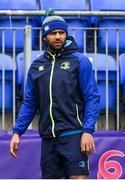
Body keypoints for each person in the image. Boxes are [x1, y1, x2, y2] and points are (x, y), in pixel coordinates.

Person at [10, 14, 100, 179]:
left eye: (61, 32)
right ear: (45, 37)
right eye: (53, 33)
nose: (58, 36)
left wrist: (88, 131)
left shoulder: (80, 61)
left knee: (79, 177)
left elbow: (92, 97)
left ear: (66, 34)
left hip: (74, 134)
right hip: (48, 139)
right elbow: (30, 102)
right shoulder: (37, 66)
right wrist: (17, 132)